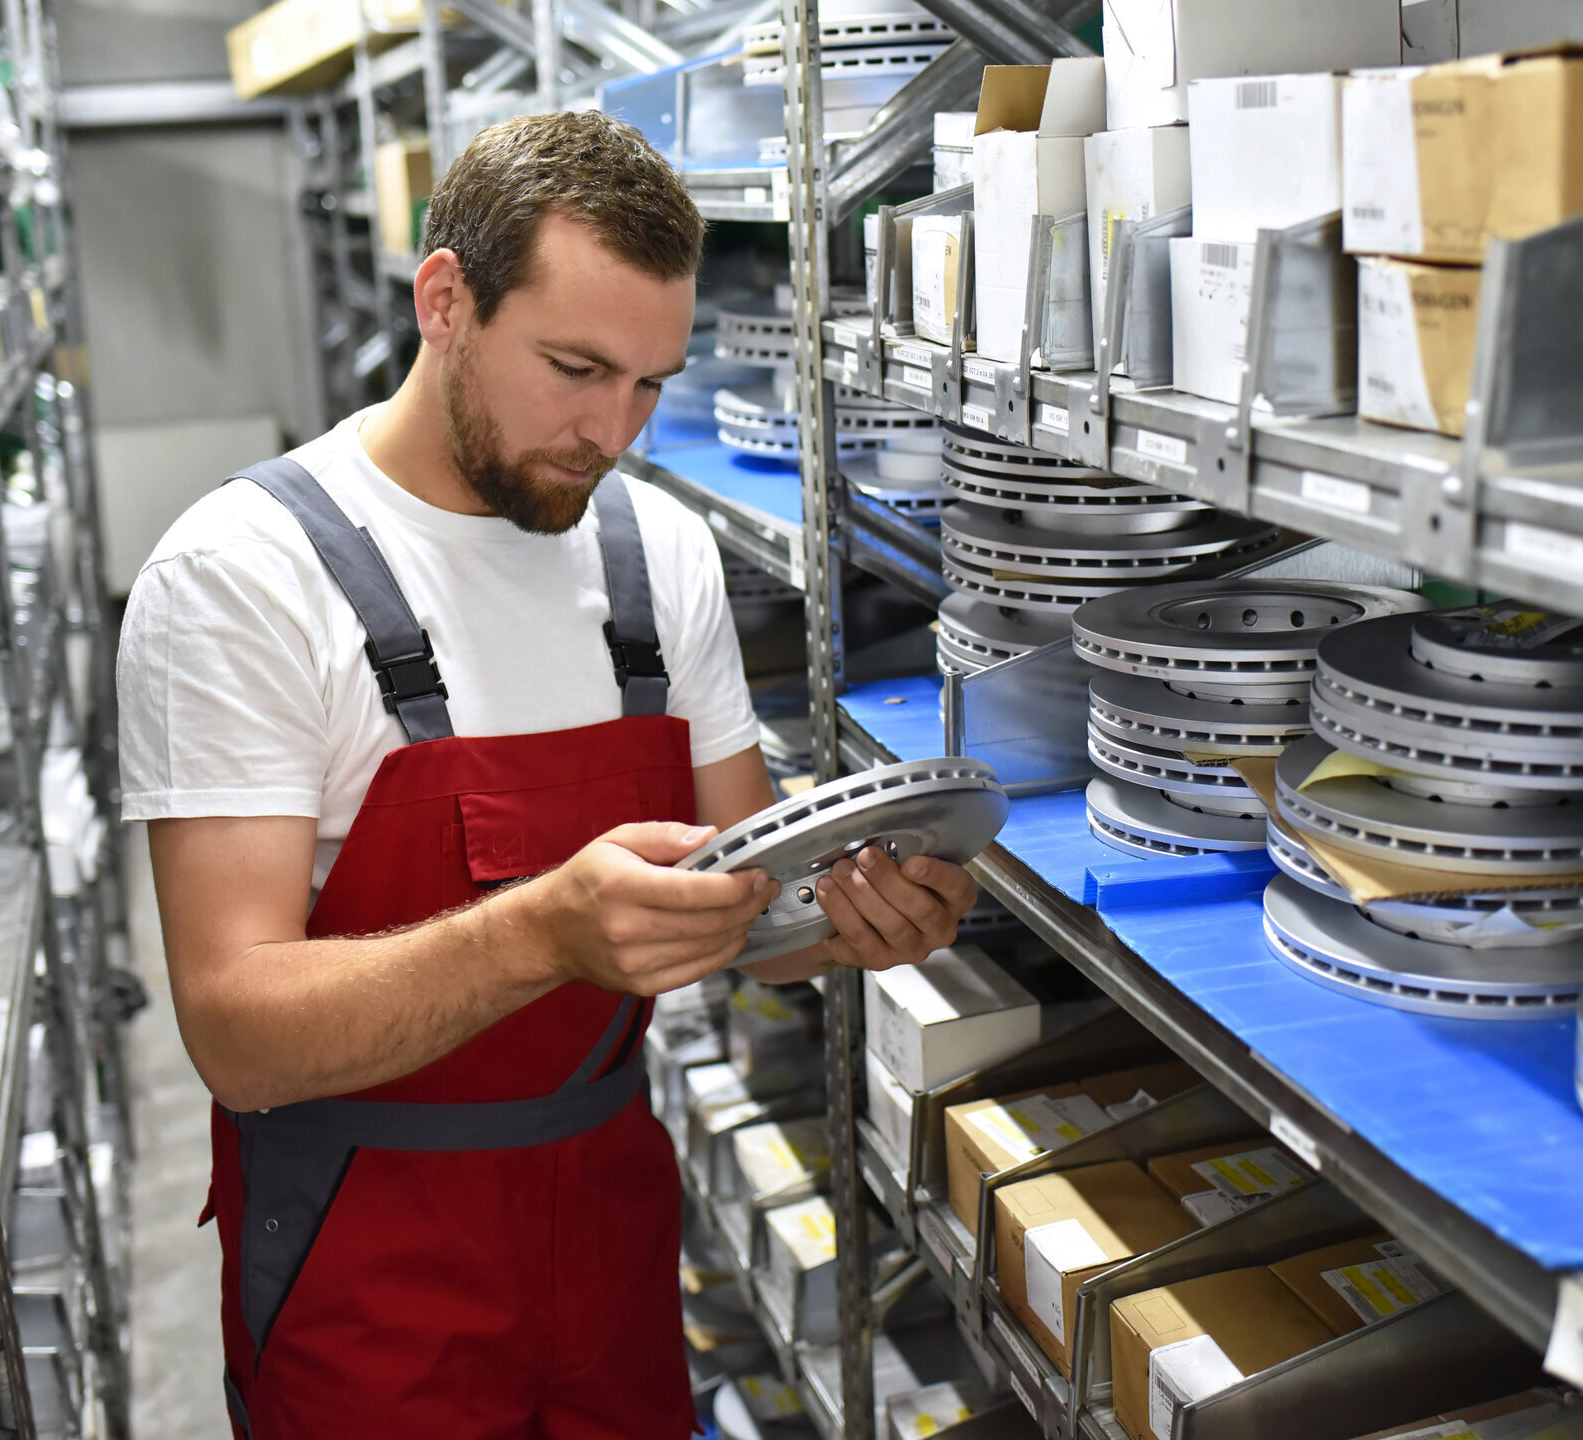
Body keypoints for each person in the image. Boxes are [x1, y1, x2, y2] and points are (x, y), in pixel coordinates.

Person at [118, 110, 979, 1439]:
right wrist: (540, 933)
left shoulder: (658, 555)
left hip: (613, 1230)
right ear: (446, 303)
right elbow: (237, 1034)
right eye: (576, 368)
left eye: (648, 384)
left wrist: (855, 919)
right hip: (369, 1261)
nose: (611, 430)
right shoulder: (242, 577)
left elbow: (752, 913)